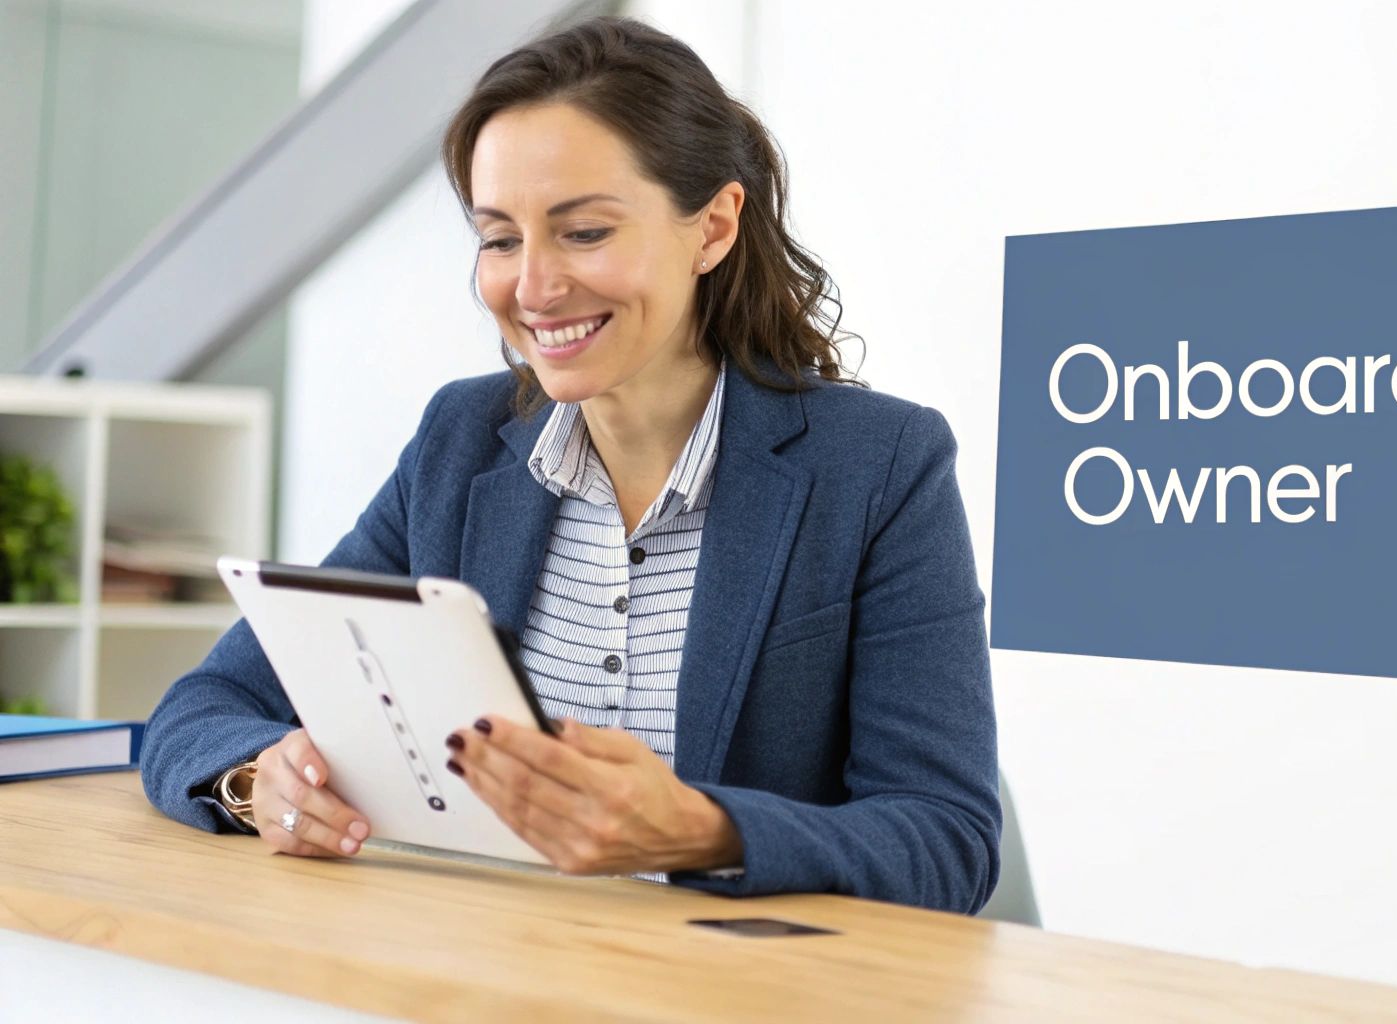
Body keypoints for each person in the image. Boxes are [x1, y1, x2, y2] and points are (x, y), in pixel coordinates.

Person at [139, 15, 1000, 914]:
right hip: (485, 976)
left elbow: (948, 839)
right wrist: (258, 784)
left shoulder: (879, 467)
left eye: (583, 232)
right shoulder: (461, 440)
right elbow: (205, 706)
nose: (535, 287)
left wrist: (706, 829)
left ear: (712, 228)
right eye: (501, 238)